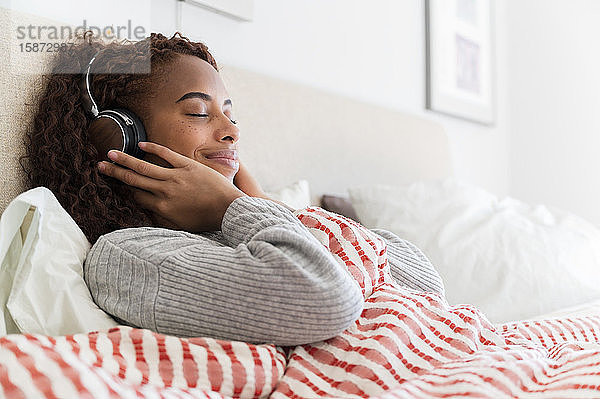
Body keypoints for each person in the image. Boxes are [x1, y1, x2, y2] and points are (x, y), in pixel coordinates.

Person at [22, 32, 445, 346]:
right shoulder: (131, 256)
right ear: (118, 137)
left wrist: (260, 205)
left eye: (230, 113)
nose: (231, 132)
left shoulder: (250, 220)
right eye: (199, 111)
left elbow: (425, 285)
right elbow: (323, 301)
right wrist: (235, 206)